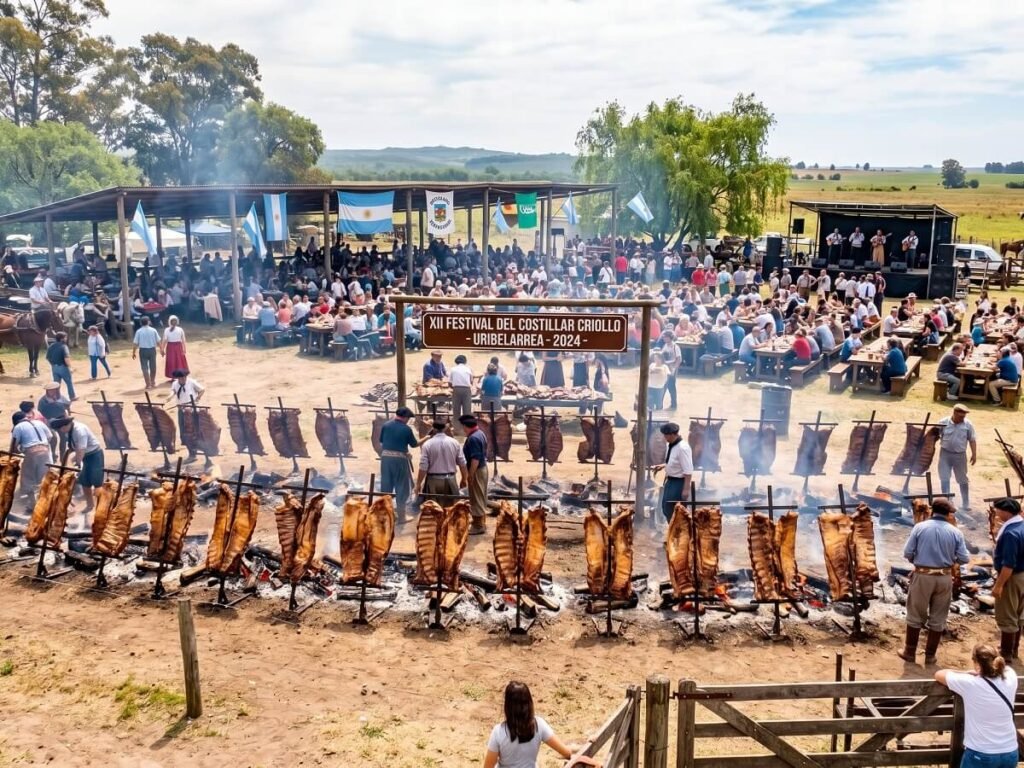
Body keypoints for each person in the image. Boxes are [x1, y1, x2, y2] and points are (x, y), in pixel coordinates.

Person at [898, 498, 970, 664]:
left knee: (915, 614)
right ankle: (930, 656)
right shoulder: (955, 532)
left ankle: (910, 652)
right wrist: (950, 561)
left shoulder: (920, 527)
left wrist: (917, 563)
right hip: (944, 578)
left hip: (923, 576)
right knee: (939, 617)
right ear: (948, 514)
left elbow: (907, 552)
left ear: (931, 510)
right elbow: (964, 558)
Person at [935, 645, 1019, 768]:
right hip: (1010, 751)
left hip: (981, 753)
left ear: (977, 664)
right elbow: (1004, 670)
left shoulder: (970, 683)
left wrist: (968, 673)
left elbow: (939, 674)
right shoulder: (1011, 676)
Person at [484, 681, 598, 768]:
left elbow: (488, 766)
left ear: (507, 706)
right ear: (529, 703)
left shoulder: (498, 732)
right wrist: (586, 743)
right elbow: (566, 752)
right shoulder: (538, 725)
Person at [991, 498, 1024, 662]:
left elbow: (1008, 564)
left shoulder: (1011, 533)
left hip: (1013, 577)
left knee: (1008, 615)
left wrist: (999, 585)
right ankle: (1014, 649)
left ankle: (1006, 654)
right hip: (1022, 576)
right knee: (1018, 615)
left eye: (997, 511)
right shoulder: (1022, 526)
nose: (996, 514)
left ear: (1005, 512)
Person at [51, 415, 103, 514]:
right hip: (82, 454)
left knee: (97, 482)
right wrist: (67, 463)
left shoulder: (80, 431)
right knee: (85, 482)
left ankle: (101, 508)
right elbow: (72, 447)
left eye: (62, 427)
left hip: (93, 455)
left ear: (68, 424)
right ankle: (90, 505)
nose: (61, 430)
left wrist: (78, 464)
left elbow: (81, 449)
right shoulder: (68, 431)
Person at [378, 407, 418, 525]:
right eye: (408, 418)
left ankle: (385, 515)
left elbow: (382, 442)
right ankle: (401, 517)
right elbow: (414, 444)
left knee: (386, 485)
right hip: (399, 460)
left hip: (385, 459)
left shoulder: (386, 425)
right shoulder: (406, 429)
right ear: (405, 418)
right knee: (402, 487)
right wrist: (426, 438)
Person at [414, 420, 467, 508]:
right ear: (445, 428)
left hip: (433, 480)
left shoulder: (427, 444)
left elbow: (423, 467)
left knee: (434, 510)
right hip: (450, 480)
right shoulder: (455, 443)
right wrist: (464, 479)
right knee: (451, 509)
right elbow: (462, 463)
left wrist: (418, 483)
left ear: (433, 429)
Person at [936, 403, 977, 512]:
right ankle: (947, 501)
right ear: (954, 413)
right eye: (960, 416)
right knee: (944, 477)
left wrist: (974, 454)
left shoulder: (968, 425)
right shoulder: (943, 422)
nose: (962, 418)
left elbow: (972, 439)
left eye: (964, 416)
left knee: (962, 479)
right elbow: (934, 434)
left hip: (960, 455)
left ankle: (965, 503)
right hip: (945, 453)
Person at [10, 411, 53, 511]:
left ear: (16, 422)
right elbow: (50, 436)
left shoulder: (18, 427)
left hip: (31, 453)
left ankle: (32, 504)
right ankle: (46, 503)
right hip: (45, 451)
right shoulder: (39, 422)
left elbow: (13, 446)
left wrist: (20, 452)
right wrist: (42, 446)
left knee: (28, 479)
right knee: (43, 479)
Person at [652, 422, 693, 522]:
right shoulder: (670, 445)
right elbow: (674, 461)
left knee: (676, 510)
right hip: (670, 481)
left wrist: (686, 489)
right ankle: (673, 529)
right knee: (666, 508)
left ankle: (678, 532)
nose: (664, 437)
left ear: (673, 434)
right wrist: (663, 466)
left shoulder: (683, 448)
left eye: (666, 435)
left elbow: (688, 470)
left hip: (678, 483)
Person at [166, 369, 205, 463]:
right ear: (178, 378)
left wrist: (197, 399)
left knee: (194, 431)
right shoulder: (175, 383)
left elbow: (202, 389)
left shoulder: (191, 382)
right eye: (181, 378)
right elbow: (173, 391)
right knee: (184, 432)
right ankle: (191, 452)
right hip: (181, 410)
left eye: (184, 377)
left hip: (191, 409)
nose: (183, 379)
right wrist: (170, 396)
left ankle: (195, 453)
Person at [460, 414, 488, 535]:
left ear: (467, 427)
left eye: (464, 427)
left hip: (476, 470)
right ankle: (480, 520)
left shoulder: (473, 439)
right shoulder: (480, 433)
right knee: (480, 495)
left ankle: (478, 525)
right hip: (482, 468)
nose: (463, 430)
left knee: (476, 497)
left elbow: (475, 459)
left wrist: (470, 475)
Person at [132, 316, 161, 389]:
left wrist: (134, 352)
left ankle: (148, 384)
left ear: (141, 323)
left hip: (143, 350)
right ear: (148, 322)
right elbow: (158, 341)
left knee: (144, 367)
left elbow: (135, 343)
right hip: (152, 350)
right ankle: (153, 382)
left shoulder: (139, 331)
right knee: (153, 366)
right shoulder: (153, 330)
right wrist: (161, 349)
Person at [46, 330, 75, 400]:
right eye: (65, 337)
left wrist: (52, 365)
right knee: (69, 382)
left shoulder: (51, 346)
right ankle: (72, 397)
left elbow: (47, 357)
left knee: (56, 384)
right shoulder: (64, 346)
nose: (66, 339)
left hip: (54, 368)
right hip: (63, 367)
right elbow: (66, 358)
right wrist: (70, 367)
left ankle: (56, 397)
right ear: (62, 338)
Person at [160, 315, 189, 379]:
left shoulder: (168, 330)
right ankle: (179, 375)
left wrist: (162, 349)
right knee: (177, 360)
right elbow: (183, 340)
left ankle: (175, 376)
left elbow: (164, 340)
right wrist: (184, 349)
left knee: (173, 361)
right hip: (176, 347)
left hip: (172, 347)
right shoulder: (177, 329)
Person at [449, 355, 474, 428]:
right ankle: (466, 427)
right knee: (467, 410)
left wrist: (454, 388)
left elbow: (450, 383)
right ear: (465, 361)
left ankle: (457, 428)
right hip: (466, 390)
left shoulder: (453, 369)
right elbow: (471, 381)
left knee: (456, 410)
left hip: (456, 389)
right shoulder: (468, 369)